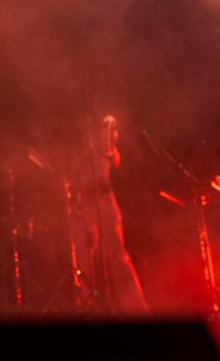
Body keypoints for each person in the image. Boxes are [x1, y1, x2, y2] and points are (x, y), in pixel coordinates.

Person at [70, 113, 148, 315]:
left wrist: (110, 144)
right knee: (83, 262)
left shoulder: (102, 139)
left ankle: (136, 310)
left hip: (104, 201)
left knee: (118, 257)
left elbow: (115, 159)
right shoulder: (72, 148)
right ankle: (88, 309)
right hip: (82, 205)